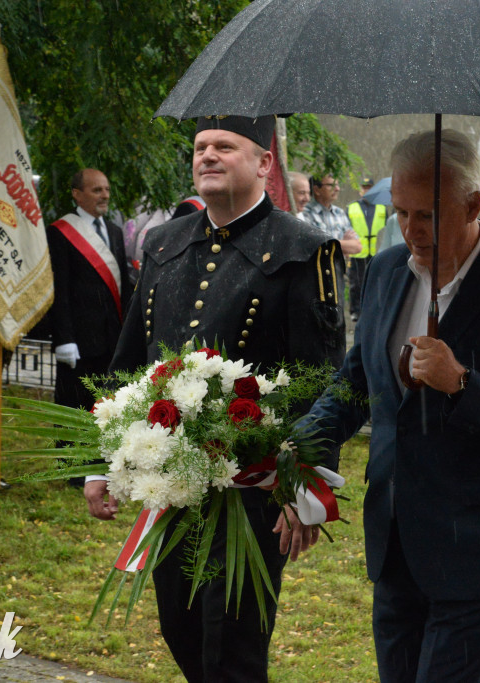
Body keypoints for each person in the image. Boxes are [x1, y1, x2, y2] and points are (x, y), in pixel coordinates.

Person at [303, 129, 480, 682]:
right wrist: (299, 445)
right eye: (400, 212)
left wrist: (462, 383)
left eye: (426, 214)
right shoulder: (385, 271)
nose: (410, 230)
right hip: (396, 538)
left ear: (474, 203)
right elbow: (359, 380)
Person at [86, 115, 347, 682]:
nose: (208, 155)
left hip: (251, 487)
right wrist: (99, 461)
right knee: (180, 629)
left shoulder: (305, 250)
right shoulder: (164, 242)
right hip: (170, 482)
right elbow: (130, 356)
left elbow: (322, 378)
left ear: (263, 164)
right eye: (201, 147)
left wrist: (306, 486)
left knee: (233, 646)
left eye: (225, 147)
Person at [47, 168, 133, 485]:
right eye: (96, 190)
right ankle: (72, 466)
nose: (104, 195)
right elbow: (59, 289)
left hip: (111, 336)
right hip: (78, 338)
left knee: (105, 403)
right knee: (74, 402)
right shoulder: (60, 232)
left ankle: (101, 463)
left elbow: (122, 286)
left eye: (106, 189)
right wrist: (64, 338)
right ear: (77, 193)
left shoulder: (113, 229)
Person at [346, 175, 387, 322]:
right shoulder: (351, 208)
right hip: (357, 251)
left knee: (375, 282)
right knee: (356, 283)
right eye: (364, 188)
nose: (367, 190)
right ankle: (355, 311)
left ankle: (373, 309)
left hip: (376, 251)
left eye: (369, 187)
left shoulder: (382, 207)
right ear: (360, 190)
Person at [301, 173, 362, 255]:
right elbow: (314, 246)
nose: (337, 189)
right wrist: (344, 243)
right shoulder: (305, 213)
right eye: (331, 185)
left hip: (337, 267)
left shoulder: (339, 212)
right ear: (316, 190)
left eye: (337, 185)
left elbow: (357, 247)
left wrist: (329, 244)